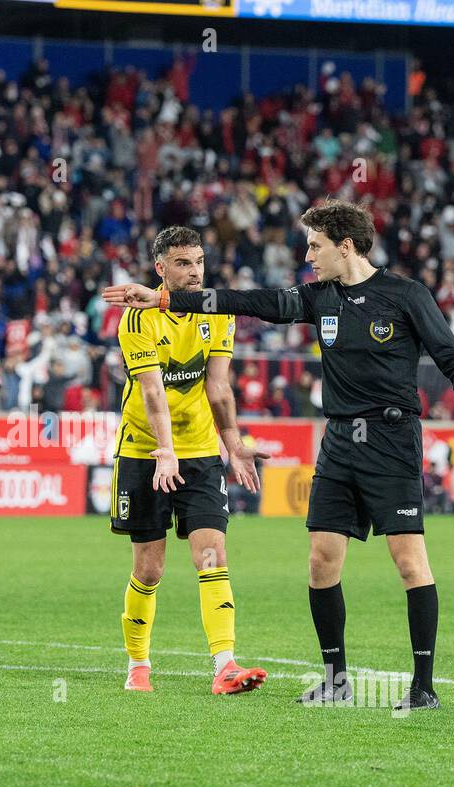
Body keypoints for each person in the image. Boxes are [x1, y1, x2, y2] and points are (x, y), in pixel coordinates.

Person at [104, 199, 454, 711]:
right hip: (337, 445)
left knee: (409, 563)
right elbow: (253, 301)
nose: (308, 255)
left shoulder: (405, 295)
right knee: (320, 562)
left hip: (392, 441)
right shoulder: (319, 298)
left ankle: (423, 687)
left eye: (315, 246)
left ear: (344, 246)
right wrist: (164, 303)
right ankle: (336, 680)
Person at [108, 226, 270, 694]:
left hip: (199, 450)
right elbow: (153, 391)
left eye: (198, 260)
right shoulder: (139, 318)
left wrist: (234, 444)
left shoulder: (218, 312)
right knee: (150, 569)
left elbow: (218, 386)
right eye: (183, 262)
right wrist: (164, 452)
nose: (195, 270)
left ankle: (225, 665)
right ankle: (138, 665)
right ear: (160, 269)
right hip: (144, 450)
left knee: (212, 553)